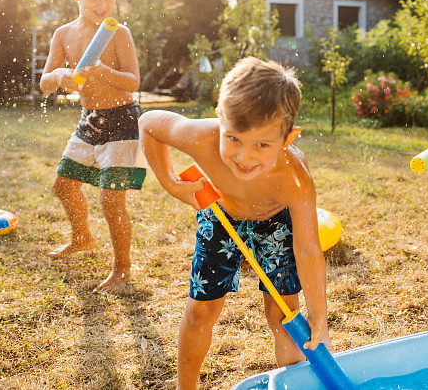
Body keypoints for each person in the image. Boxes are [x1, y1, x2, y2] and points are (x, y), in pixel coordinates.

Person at [138, 57, 329, 390]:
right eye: (235, 139)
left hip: (276, 220)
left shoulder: (295, 179)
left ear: (287, 138)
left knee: (285, 314)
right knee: (201, 310)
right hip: (222, 214)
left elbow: (309, 249)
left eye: (262, 145)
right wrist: (170, 182)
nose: (244, 157)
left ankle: (293, 385)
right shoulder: (200, 137)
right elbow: (150, 123)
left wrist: (320, 319)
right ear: (219, 117)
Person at [39, 0, 145, 294]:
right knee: (63, 186)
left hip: (124, 121)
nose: (103, 6)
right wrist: (60, 75)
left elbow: (133, 82)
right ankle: (82, 237)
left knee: (111, 200)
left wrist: (103, 71)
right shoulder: (64, 35)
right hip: (91, 121)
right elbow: (44, 83)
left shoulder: (118, 32)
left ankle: (122, 269)